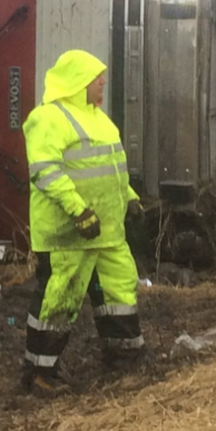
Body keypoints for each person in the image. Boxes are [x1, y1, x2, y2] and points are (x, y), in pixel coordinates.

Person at [21, 49, 147, 396]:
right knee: (58, 300)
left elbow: (110, 170)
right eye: (96, 77)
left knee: (120, 288)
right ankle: (39, 373)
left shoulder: (99, 120)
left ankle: (124, 357)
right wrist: (79, 211)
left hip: (106, 230)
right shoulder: (47, 118)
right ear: (78, 82)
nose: (103, 82)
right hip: (68, 234)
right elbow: (45, 172)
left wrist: (131, 198)